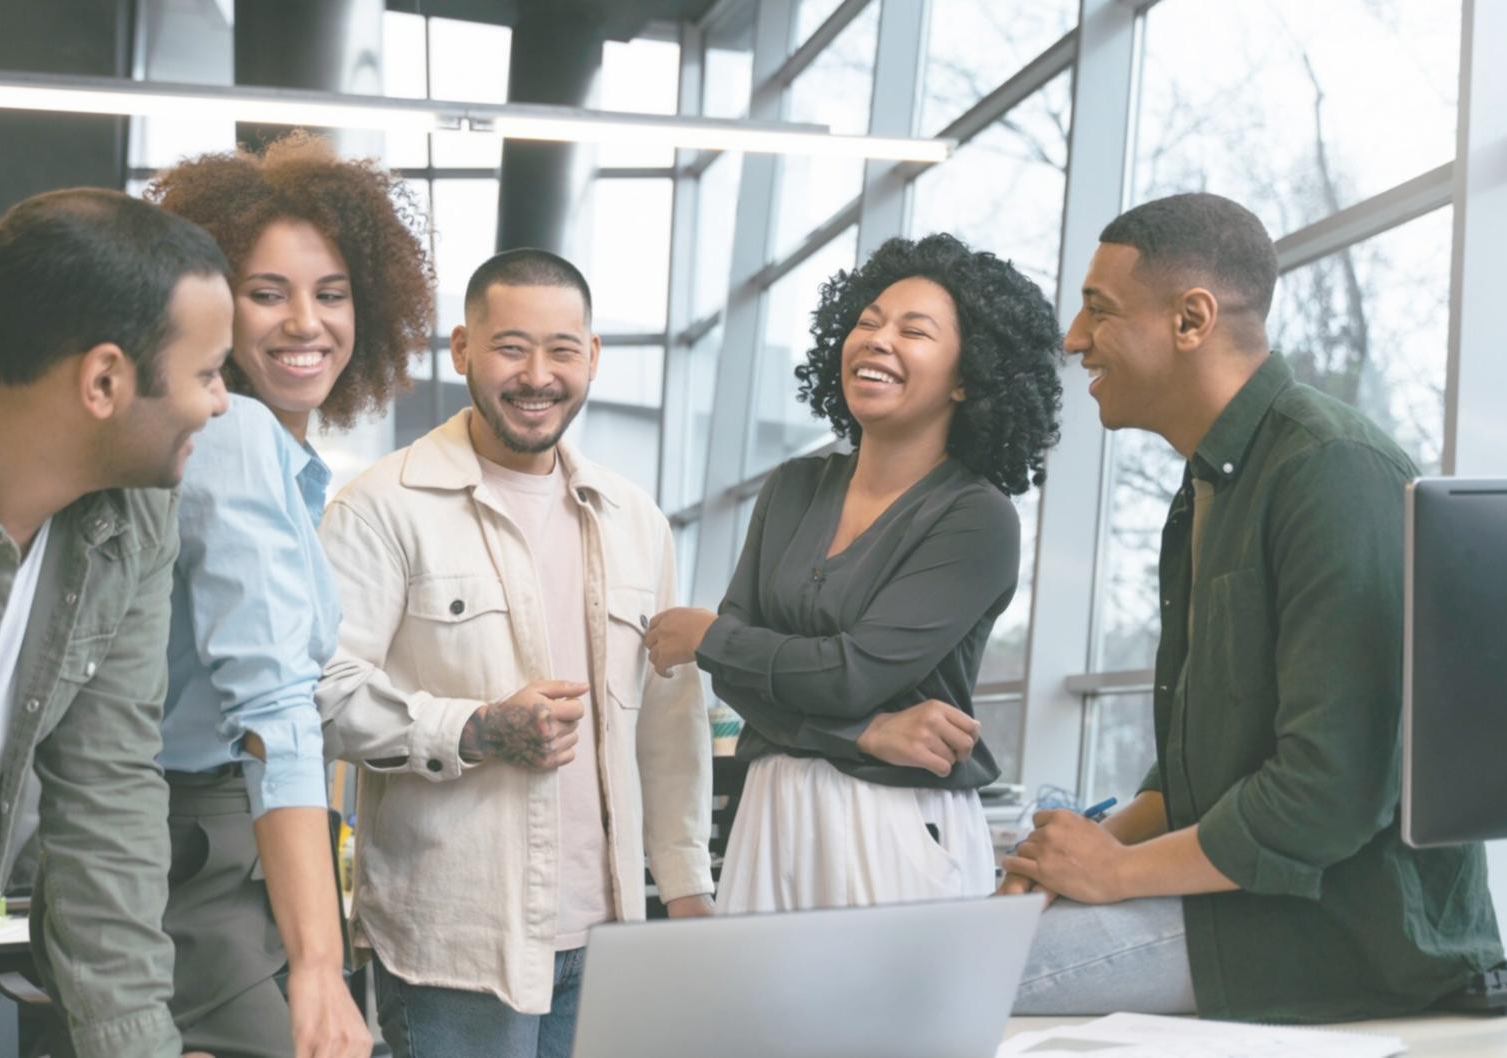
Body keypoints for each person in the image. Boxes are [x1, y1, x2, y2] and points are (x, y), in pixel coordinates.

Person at [1000, 191, 1504, 1022]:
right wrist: (1081, 851)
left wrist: (1116, 872)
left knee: (947, 982)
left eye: (1100, 310)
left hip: (1338, 936)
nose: (1074, 338)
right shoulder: (1209, 487)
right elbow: (1201, 772)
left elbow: (1328, 792)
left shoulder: (1330, 469)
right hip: (1238, 907)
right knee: (962, 946)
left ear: (1191, 320)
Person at [315, 247, 714, 1058]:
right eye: (510, 348)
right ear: (463, 349)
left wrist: (686, 889)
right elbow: (322, 696)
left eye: (562, 349)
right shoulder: (381, 507)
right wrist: (477, 728)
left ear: (592, 356)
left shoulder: (636, 520)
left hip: (609, 938)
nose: (538, 376)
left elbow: (669, 725)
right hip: (456, 949)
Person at [645, 232, 1064, 912]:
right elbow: (739, 678)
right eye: (868, 322)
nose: (877, 340)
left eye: (913, 331)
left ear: (968, 377)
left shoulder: (976, 517)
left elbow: (850, 674)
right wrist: (864, 733)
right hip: (770, 805)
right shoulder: (793, 486)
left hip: (894, 820)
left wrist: (709, 637)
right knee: (755, 989)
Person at [0, 188, 232, 1056]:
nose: (221, 403)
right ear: (103, 381)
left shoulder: (132, 517)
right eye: (209, 373)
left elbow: (108, 799)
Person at [146, 131, 435, 1058]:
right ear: (207, 307)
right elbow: (272, 705)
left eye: (332, 294)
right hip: (203, 839)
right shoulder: (233, 436)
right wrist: (318, 965)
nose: (306, 323)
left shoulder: (277, 456)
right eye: (266, 293)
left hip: (231, 835)